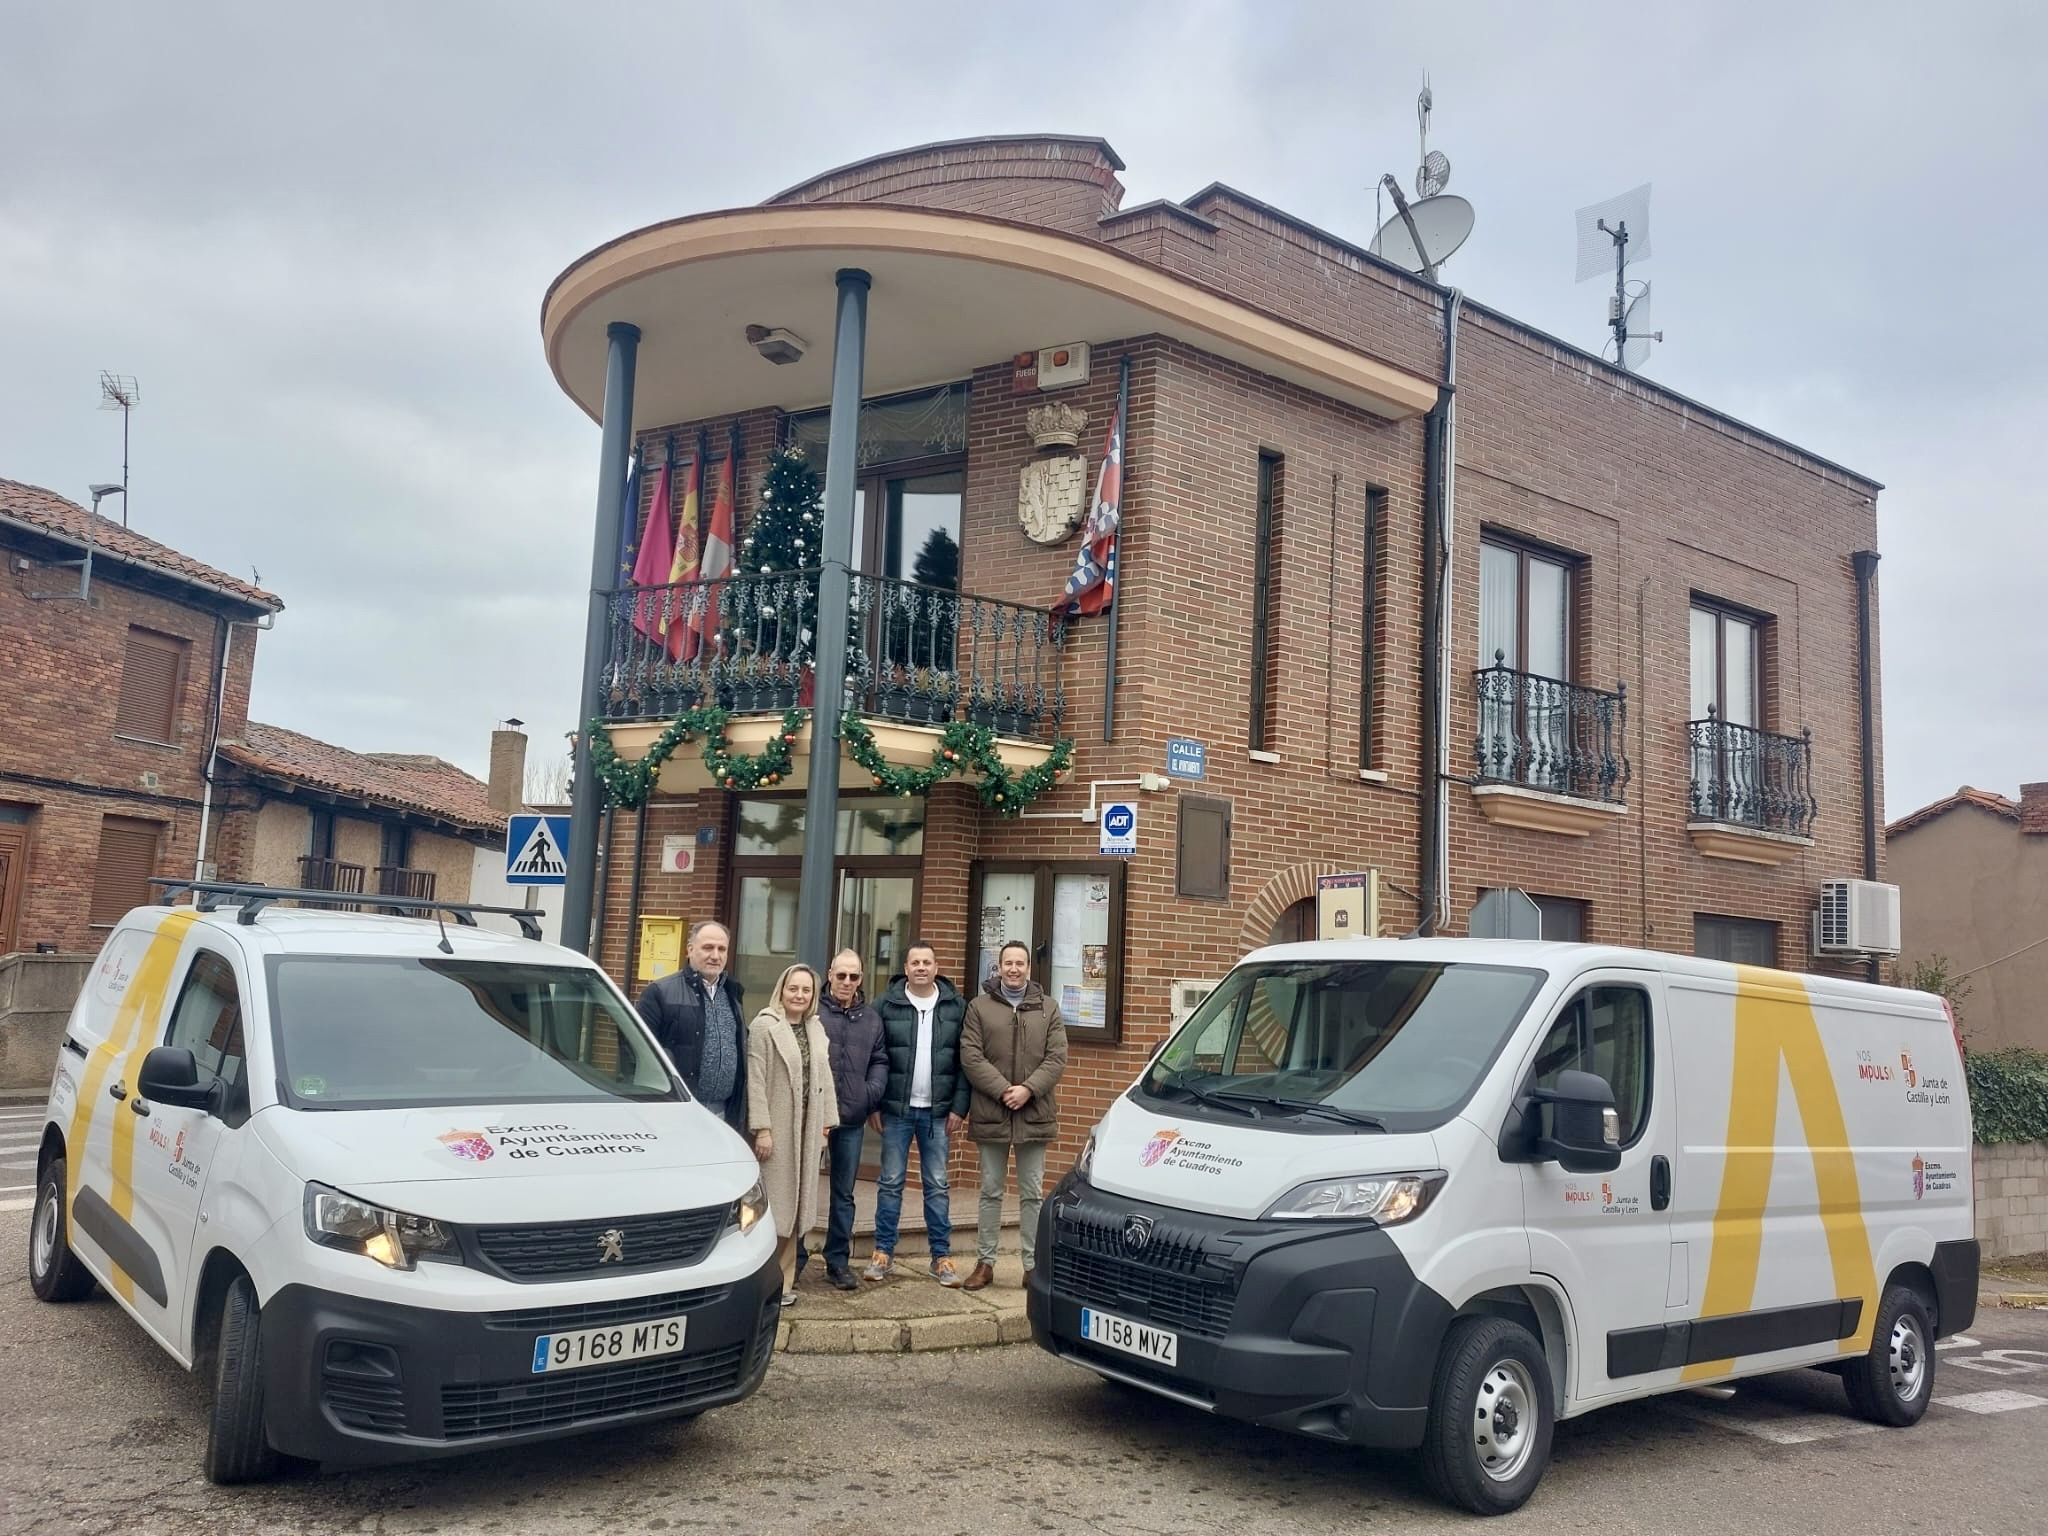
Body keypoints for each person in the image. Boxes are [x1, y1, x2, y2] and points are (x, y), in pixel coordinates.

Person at [959, 940, 1068, 1290]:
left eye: (1020, 963)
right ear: (999, 966)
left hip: (1034, 1113)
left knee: (1032, 1192)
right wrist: (1004, 1089)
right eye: (1008, 963)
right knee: (990, 1190)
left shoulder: (1048, 1009)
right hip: (992, 1110)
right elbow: (971, 1056)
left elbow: (1056, 1058)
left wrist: (1028, 1090)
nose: (1014, 969)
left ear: (1028, 968)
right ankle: (985, 1263)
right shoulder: (979, 1007)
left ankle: (1032, 1266)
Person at [865, 939, 969, 1287]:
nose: (921, 967)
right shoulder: (885, 1005)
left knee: (937, 1185)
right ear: (905, 968)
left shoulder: (956, 1007)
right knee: (891, 1182)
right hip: (896, 1110)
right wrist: (874, 1102)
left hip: (938, 1113)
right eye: (915, 962)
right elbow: (873, 1057)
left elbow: (965, 1064)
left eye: (927, 962)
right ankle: (882, 1252)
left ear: (936, 968)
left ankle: (940, 1257)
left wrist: (958, 1106)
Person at [746, 962, 834, 1307]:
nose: (799, 995)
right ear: (781, 990)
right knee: (774, 1208)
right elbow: (755, 1079)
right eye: (793, 988)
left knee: (797, 1209)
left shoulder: (815, 1028)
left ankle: (784, 1283)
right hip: (779, 1128)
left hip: (808, 1130)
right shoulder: (765, 1027)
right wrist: (762, 1129)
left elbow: (825, 1079)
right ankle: (761, 1280)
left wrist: (827, 1122)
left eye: (806, 990)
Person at [808, 948, 888, 1291]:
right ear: (829, 974)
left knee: (844, 1194)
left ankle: (837, 1262)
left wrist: (870, 1094)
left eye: (854, 976)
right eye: (841, 975)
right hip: (812, 1119)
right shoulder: (811, 1012)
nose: (847, 982)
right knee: (803, 1189)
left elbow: (880, 1060)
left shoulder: (870, 1018)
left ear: (861, 978)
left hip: (851, 1119)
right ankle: (794, 1259)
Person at [635, 920, 748, 1135]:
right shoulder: (659, 992)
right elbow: (638, 1055)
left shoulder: (733, 994)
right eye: (708, 947)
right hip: (675, 1113)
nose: (715, 955)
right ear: (690, 950)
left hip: (723, 1112)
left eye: (721, 949)